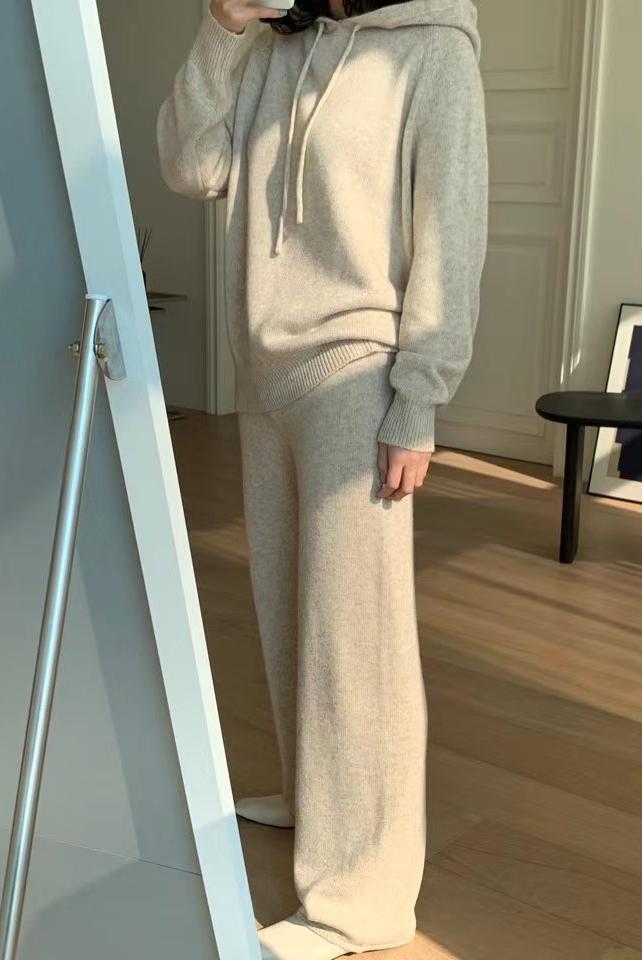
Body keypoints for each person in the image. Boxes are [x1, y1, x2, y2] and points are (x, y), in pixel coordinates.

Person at [157, 0, 487, 955]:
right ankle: (318, 800)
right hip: (263, 366)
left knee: (356, 638)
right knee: (287, 605)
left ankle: (362, 899)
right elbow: (191, 168)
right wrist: (221, 29)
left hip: (356, 370)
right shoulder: (271, 47)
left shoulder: (433, 49)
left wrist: (419, 398)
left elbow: (452, 226)